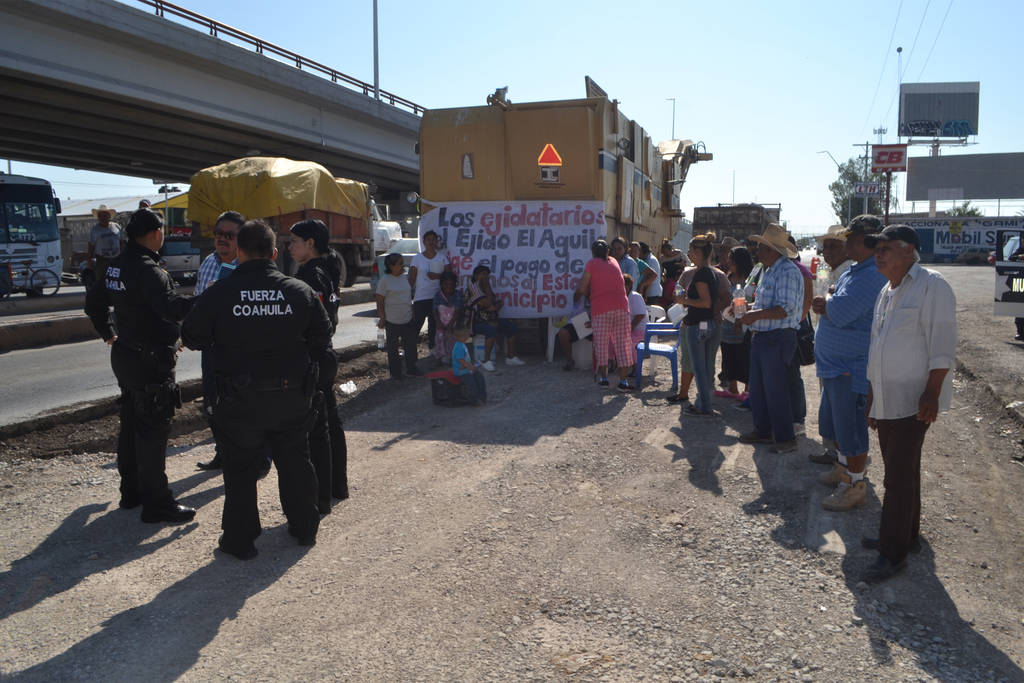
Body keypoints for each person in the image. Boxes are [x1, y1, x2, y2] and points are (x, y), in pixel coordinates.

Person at [182, 220, 330, 559]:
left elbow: (191, 335)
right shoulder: (299, 291)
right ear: (274, 253)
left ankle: (240, 540)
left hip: (239, 402)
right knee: (295, 460)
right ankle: (305, 527)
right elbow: (322, 337)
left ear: (239, 252)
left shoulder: (220, 292)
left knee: (240, 469)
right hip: (292, 396)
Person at [84, 208, 195, 524]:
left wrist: (108, 332)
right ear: (156, 233)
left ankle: (131, 492)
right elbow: (170, 309)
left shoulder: (115, 266)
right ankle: (157, 504)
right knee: (153, 431)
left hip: (125, 355)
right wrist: (205, 300)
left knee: (132, 422)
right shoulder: (149, 271)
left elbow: (93, 303)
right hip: (151, 362)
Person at [861, 225, 956, 583]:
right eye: (876, 249)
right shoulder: (886, 291)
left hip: (914, 400)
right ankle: (906, 535)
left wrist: (932, 392)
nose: (878, 255)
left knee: (897, 478)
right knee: (903, 470)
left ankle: (892, 553)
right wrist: (873, 395)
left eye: (885, 248)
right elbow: (877, 346)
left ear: (908, 251)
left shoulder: (933, 286)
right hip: (888, 398)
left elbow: (943, 343)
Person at [811, 215, 887, 512]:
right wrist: (830, 303)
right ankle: (844, 470)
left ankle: (854, 485)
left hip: (850, 367)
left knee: (852, 429)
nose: (848, 245)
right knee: (841, 427)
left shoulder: (871, 275)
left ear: (869, 242)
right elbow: (834, 302)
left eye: (852, 240)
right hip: (838, 365)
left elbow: (840, 312)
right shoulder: (856, 271)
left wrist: (828, 304)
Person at [289, 219, 349, 513]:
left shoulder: (311, 275)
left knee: (317, 430)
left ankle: (322, 495)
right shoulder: (327, 268)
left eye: (294, 241)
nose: (289, 247)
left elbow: (308, 322)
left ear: (310, 243)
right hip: (325, 354)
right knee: (331, 423)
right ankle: (338, 486)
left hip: (313, 357)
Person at [737, 224, 805, 453]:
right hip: (764, 336)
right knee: (759, 389)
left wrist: (753, 315)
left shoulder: (786, 271)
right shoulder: (769, 270)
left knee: (776, 390)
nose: (757, 251)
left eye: (761, 247)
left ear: (772, 250)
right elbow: (766, 305)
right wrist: (747, 309)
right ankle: (763, 430)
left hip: (777, 337)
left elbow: (785, 308)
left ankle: (785, 439)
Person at [194, 210, 245, 472]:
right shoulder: (207, 263)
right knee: (212, 402)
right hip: (211, 347)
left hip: (238, 349)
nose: (222, 239)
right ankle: (222, 453)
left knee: (239, 404)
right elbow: (198, 302)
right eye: (218, 234)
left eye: (229, 235)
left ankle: (250, 459)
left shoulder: (247, 267)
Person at [575, 240, 635, 391]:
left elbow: (582, 288)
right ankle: (623, 382)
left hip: (601, 309)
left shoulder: (591, 264)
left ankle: (604, 379)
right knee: (622, 344)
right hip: (622, 307)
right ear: (608, 251)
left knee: (601, 344)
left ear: (593, 252)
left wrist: (580, 296)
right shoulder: (614, 261)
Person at [676, 233, 719, 416]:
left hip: (697, 325)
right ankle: (703, 402)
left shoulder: (701, 273)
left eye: (691, 250)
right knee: (705, 367)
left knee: (699, 368)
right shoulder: (710, 272)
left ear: (698, 252)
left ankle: (704, 406)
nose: (688, 253)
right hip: (707, 324)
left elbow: (705, 302)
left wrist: (684, 300)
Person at [466, 264, 525, 370]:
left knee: (511, 327)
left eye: (487, 275)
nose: (485, 277)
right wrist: (488, 292)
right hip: (475, 323)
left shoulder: (486, 288)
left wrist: (494, 306)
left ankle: (511, 357)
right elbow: (488, 303)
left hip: (490, 319)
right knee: (491, 329)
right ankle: (486, 361)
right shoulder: (473, 288)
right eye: (482, 274)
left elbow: (498, 302)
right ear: (475, 276)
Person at [375, 253, 422, 380]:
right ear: (391, 266)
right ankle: (396, 374)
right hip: (392, 320)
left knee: (410, 346)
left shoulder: (404, 278)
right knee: (393, 349)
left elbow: (408, 296)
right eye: (400, 263)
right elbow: (379, 301)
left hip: (407, 318)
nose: (403, 266)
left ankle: (412, 369)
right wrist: (382, 318)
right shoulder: (384, 280)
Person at [787, 233, 815, 437]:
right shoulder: (774, 268)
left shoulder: (801, 270)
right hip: (782, 329)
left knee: (793, 376)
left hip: (794, 330)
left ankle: (798, 419)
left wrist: (793, 325)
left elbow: (806, 303)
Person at [719, 246, 754, 400]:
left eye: (731, 260)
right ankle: (732, 389)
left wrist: (740, 317)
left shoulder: (750, 280)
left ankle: (747, 390)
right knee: (728, 356)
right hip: (727, 324)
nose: (728, 262)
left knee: (745, 357)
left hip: (744, 325)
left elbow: (751, 300)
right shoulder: (728, 278)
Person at [408, 230, 450, 352]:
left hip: (437, 297)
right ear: (424, 242)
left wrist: (437, 276)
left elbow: (449, 277)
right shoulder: (417, 258)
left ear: (437, 242)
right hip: (421, 297)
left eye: (434, 240)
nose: (431, 242)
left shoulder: (442, 258)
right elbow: (411, 278)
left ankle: (433, 350)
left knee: (434, 325)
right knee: (416, 324)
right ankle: (410, 350)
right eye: (428, 240)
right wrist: (406, 296)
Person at [86, 204, 124, 289]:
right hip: (102, 260)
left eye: (105, 215)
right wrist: (89, 260)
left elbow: (121, 242)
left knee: (117, 281)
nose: (103, 218)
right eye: (100, 216)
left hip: (116, 259)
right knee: (102, 283)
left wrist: (123, 257)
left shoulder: (116, 226)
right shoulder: (95, 230)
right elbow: (91, 246)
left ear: (109, 216)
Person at [433, 271, 463, 364]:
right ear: (441, 284)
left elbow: (457, 311)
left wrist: (451, 324)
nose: (449, 287)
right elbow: (435, 310)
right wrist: (438, 323)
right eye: (446, 284)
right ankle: (438, 359)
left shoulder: (458, 294)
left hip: (453, 322)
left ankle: (451, 358)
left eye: (451, 284)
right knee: (439, 339)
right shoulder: (438, 295)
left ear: (455, 284)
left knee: (452, 341)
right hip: (441, 322)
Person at [452, 325, 487, 405]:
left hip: (467, 369)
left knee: (480, 378)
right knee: (471, 383)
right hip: (461, 372)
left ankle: (482, 397)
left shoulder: (462, 344)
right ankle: (473, 400)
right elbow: (461, 360)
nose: (467, 336)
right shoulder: (459, 347)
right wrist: (471, 367)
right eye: (465, 336)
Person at [554, 296, 589, 371]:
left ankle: (607, 361)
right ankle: (570, 360)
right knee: (562, 333)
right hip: (572, 322)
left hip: (587, 320)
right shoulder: (567, 292)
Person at [625, 274, 647, 346]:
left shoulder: (635, 296)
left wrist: (628, 330)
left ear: (628, 286)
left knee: (625, 343)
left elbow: (640, 316)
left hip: (640, 332)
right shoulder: (623, 298)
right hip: (631, 331)